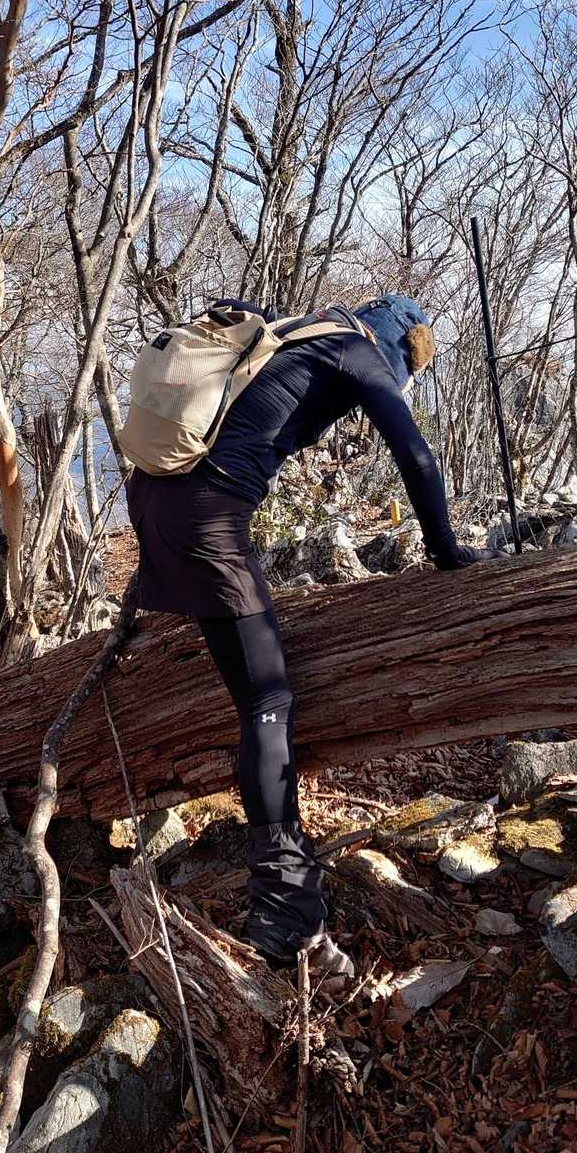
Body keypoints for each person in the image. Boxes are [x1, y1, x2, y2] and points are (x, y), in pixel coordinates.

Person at [126, 293, 498, 968]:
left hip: (155, 497)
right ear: (399, 348)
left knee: (247, 668)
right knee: (267, 702)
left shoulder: (293, 333)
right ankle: (284, 907)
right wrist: (447, 551)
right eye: (406, 370)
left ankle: (284, 900)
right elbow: (415, 456)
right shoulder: (358, 351)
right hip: (206, 514)